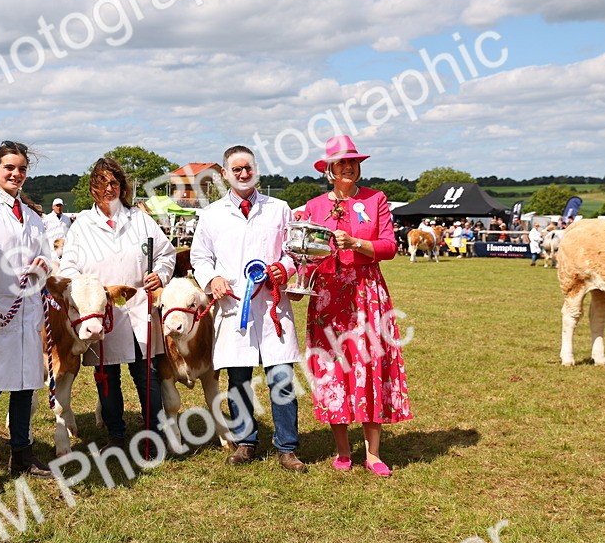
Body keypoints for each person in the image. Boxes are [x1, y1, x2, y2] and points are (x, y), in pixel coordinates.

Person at [295, 135, 412, 476]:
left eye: (354, 162)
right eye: (342, 162)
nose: (349, 167)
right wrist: (300, 280)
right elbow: (305, 251)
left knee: (372, 365)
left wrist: (358, 243)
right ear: (329, 170)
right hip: (329, 296)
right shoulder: (314, 207)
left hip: (367, 292)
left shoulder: (376, 199)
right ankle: (343, 450)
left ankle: (374, 454)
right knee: (334, 368)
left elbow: (389, 246)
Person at [189, 145, 307, 472]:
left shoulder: (279, 209)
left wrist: (284, 267)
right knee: (238, 379)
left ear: (256, 170)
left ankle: (287, 447)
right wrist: (212, 278)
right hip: (233, 305)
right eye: (236, 169)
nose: (243, 174)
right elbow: (200, 257)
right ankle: (245, 441)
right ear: (225, 174)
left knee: (281, 378)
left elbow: (294, 251)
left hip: (272, 306)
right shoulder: (211, 214)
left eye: (248, 168)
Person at [59, 157, 176, 452]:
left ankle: (153, 433)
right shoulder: (82, 224)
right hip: (101, 314)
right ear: (92, 189)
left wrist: (158, 275)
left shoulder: (140, 219)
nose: (108, 188)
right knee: (106, 377)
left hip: (138, 310)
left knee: (145, 374)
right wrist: (86, 292)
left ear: (122, 186)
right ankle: (116, 435)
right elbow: (68, 268)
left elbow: (166, 253)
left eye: (113, 182)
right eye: (101, 183)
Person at [0, 141, 54, 493]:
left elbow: (47, 257)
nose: (16, 175)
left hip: (27, 310)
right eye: (9, 169)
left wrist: (43, 266)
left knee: (25, 385)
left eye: (21, 170)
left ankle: (22, 454)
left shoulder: (33, 217)